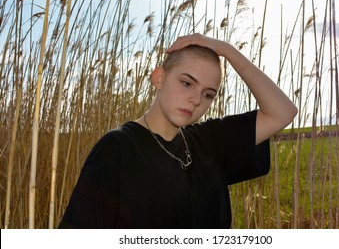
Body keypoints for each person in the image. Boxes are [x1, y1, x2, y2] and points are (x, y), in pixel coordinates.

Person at [58, 33, 297, 229]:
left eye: (208, 94)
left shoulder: (210, 141)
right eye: (186, 83)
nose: (195, 100)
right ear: (159, 78)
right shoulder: (117, 149)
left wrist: (227, 50)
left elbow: (283, 112)